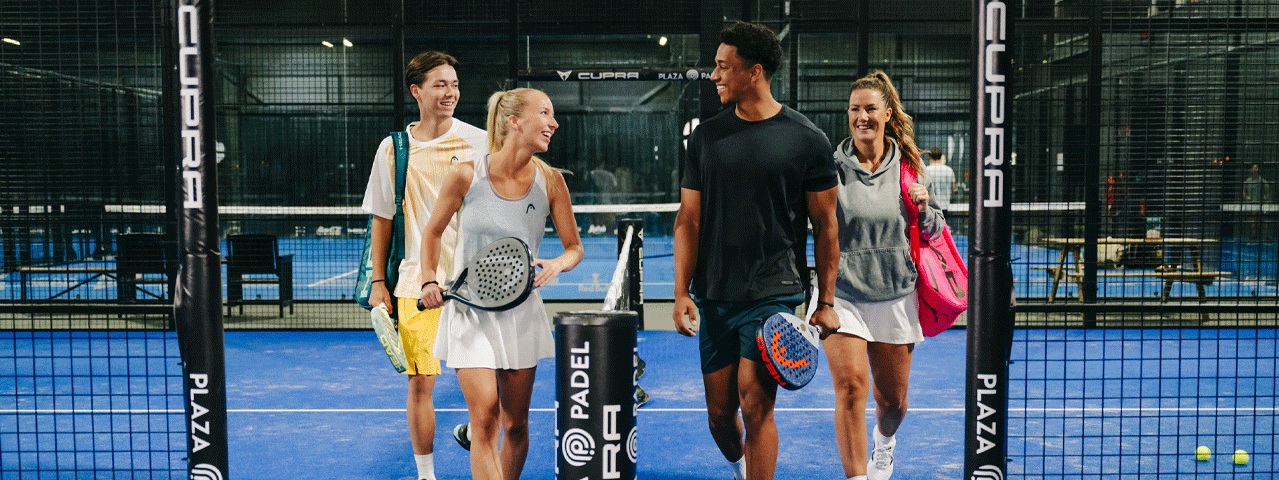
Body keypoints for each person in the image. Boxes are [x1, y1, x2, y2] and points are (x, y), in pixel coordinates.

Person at [672, 21, 841, 480]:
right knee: (721, 419)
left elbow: (827, 226)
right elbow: (688, 219)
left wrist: (825, 301)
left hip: (775, 291)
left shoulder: (808, 139)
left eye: (723, 67)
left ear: (755, 72)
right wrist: (681, 291)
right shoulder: (705, 138)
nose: (714, 75)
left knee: (755, 401)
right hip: (715, 291)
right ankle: (741, 465)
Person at [418, 87, 583, 480]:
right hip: (468, 314)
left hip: (521, 314)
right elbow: (432, 233)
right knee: (485, 419)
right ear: (514, 121)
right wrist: (428, 279)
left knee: (515, 426)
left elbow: (575, 247)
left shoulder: (552, 182)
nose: (554, 123)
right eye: (545, 113)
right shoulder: (465, 174)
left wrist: (558, 263)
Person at [812, 71, 946, 480]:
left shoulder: (910, 168)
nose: (862, 116)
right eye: (855, 109)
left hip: (895, 294)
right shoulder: (828, 168)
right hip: (843, 295)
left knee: (893, 403)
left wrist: (924, 209)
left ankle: (884, 444)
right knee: (851, 390)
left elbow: (936, 229)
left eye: (870, 109)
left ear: (888, 114)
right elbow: (815, 225)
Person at [360, 51, 486, 480]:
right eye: (439, 85)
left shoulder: (479, 142)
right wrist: (380, 281)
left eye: (453, 84)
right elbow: (382, 218)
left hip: (473, 283)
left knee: (495, 383)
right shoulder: (392, 148)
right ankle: (426, 475)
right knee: (421, 384)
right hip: (417, 281)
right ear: (416, 91)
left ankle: (475, 431)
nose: (450, 92)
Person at [1243, 163, 1272, 240]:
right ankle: (1253, 236)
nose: (1255, 169)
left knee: (1265, 220)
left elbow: (1268, 192)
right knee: (1253, 219)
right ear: (1251, 169)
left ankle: (1265, 236)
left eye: (1256, 168)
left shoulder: (1262, 181)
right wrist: (1246, 198)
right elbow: (1244, 192)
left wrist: (1268, 203)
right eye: (1254, 168)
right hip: (1252, 203)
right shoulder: (1247, 181)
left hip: (1262, 203)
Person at [923, 146, 955, 211]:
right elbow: (953, 189)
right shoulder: (949, 170)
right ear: (941, 156)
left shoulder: (926, 170)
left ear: (930, 157)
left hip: (930, 206)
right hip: (945, 205)